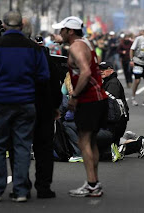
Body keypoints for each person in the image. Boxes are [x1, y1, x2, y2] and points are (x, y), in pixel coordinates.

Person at [0, 11, 50, 202]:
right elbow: (43, 77)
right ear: (21, 27)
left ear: (4, 27)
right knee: (22, 147)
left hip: (0, 102)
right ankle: (21, 191)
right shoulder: (33, 48)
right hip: (26, 102)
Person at [52, 16, 108, 197]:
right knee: (90, 142)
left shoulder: (76, 47)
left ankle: (92, 184)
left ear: (70, 31)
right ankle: (94, 182)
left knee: (83, 141)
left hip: (88, 101)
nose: (60, 32)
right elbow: (94, 64)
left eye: (62, 29)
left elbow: (85, 71)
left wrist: (74, 96)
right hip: (99, 99)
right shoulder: (86, 43)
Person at [33, 35, 62, 198]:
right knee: (44, 148)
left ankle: (20, 187)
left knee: (19, 147)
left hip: (20, 104)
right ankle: (43, 187)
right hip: (44, 108)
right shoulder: (44, 57)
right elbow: (54, 81)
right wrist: (56, 105)